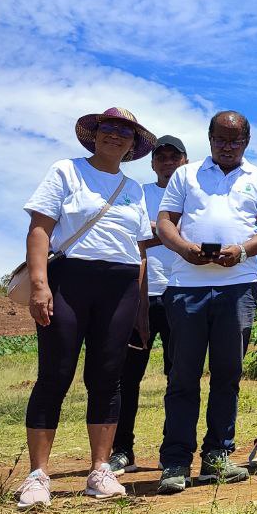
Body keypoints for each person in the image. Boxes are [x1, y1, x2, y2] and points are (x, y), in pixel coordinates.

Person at [16, 107, 157, 509]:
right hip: (69, 282)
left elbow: (140, 251)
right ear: (94, 135)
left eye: (124, 133)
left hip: (120, 287)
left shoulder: (134, 189)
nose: (115, 136)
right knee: (55, 374)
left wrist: (141, 307)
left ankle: (99, 470)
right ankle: (38, 475)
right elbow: (39, 229)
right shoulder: (66, 171)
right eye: (108, 129)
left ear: (133, 145)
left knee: (107, 377)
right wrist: (40, 285)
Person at [155, 111, 257, 494]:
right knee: (183, 376)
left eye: (236, 141)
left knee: (227, 375)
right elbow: (165, 222)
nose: (228, 147)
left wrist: (243, 251)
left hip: (238, 287)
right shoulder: (186, 175)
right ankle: (175, 462)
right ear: (209, 139)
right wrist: (185, 248)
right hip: (187, 286)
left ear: (246, 142)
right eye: (221, 139)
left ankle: (216, 457)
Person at [109, 134, 187, 476]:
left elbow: (151, 232)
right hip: (141, 292)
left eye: (174, 156)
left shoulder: (192, 193)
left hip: (182, 292)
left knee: (178, 376)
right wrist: (171, 230)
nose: (167, 162)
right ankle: (122, 449)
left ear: (184, 160)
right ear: (153, 162)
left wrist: (155, 229)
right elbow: (131, 233)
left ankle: (172, 449)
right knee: (127, 377)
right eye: (161, 157)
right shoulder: (138, 193)